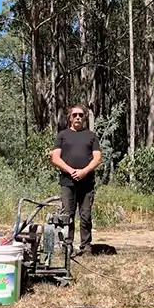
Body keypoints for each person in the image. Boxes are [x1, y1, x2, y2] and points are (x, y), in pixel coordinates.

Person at [50, 104, 102, 256]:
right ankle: (67, 247)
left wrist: (84, 171)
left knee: (86, 216)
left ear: (85, 117)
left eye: (81, 115)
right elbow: (55, 157)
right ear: (70, 118)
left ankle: (86, 247)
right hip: (67, 182)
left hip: (87, 183)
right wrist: (71, 170)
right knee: (68, 215)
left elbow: (98, 158)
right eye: (75, 115)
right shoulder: (62, 135)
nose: (78, 117)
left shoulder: (91, 136)